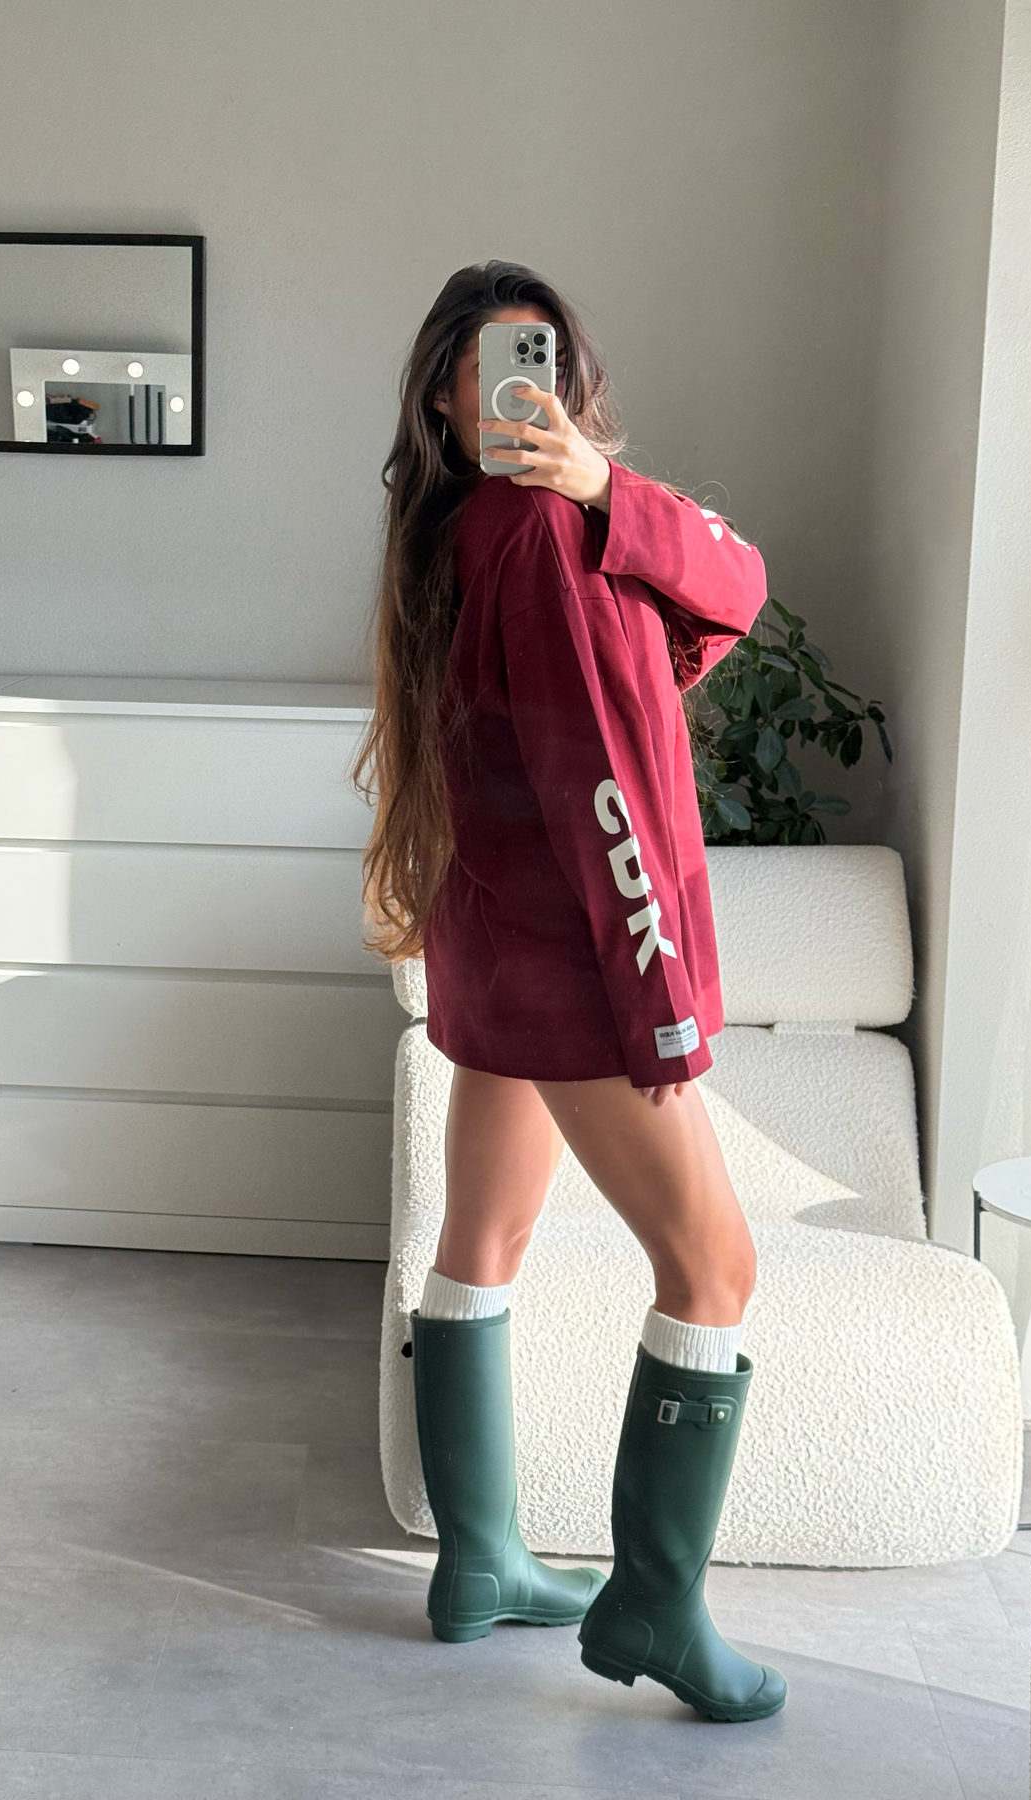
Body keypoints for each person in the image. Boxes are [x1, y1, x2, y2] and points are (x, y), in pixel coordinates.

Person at [354, 261, 786, 1724]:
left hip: (494, 942)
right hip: (579, 962)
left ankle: (477, 1559)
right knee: (713, 1268)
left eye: (543, 359)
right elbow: (600, 767)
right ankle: (655, 1606)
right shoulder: (543, 530)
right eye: (491, 366)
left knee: (482, 1238)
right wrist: (656, 994)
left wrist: (609, 490)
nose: (524, 390)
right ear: (444, 397)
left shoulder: (470, 525)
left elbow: (721, 597)